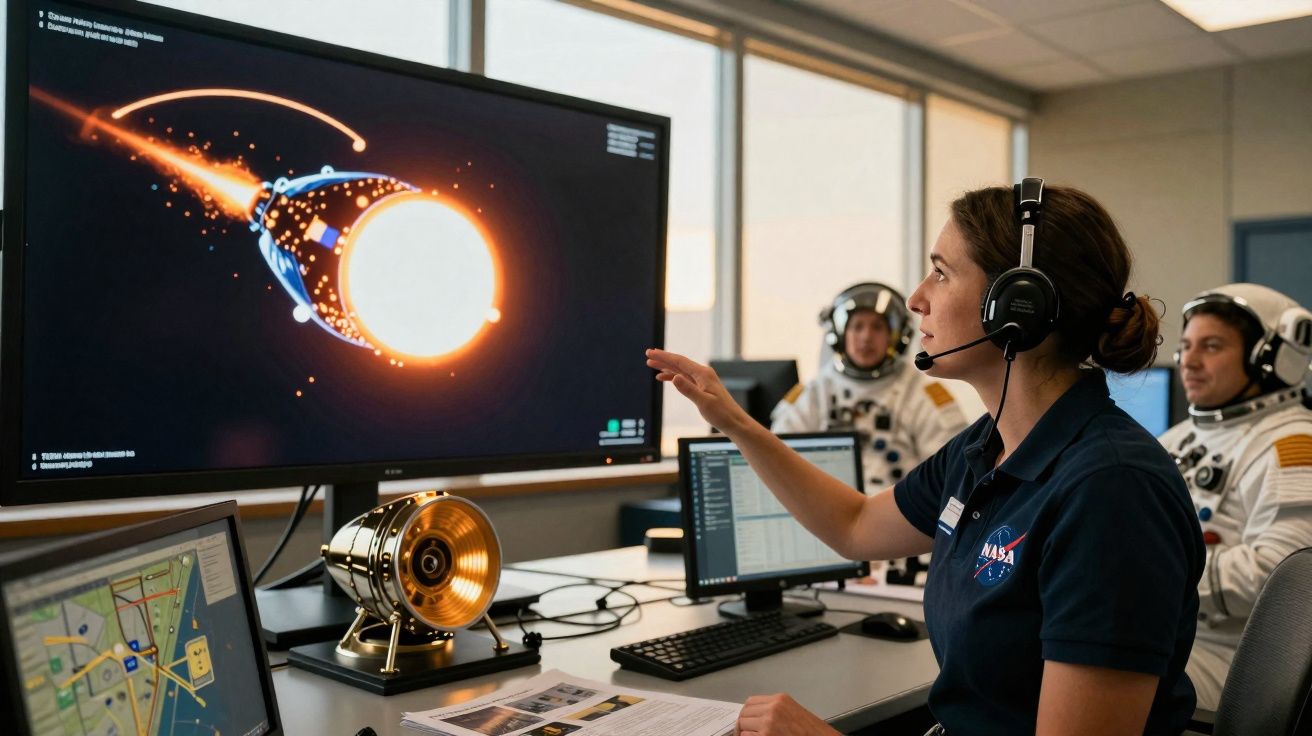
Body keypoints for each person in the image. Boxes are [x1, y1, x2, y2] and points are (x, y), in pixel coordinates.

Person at [648, 181, 1203, 735]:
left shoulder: (1111, 490)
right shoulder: (984, 448)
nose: (916, 298)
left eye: (941, 272)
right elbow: (857, 525)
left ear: (1018, 305)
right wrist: (737, 425)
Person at [1159, 283, 1312, 710]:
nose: (1188, 361)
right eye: (1186, 345)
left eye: (1211, 346)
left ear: (1269, 358)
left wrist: (1154, 575)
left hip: (1236, 657)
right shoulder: (1175, 439)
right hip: (1163, 633)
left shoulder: (1292, 444)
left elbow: (1282, 578)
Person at [773, 282, 968, 586]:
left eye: (877, 327)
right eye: (857, 326)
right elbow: (777, 464)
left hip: (899, 542)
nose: (866, 337)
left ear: (896, 335)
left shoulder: (922, 393)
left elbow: (953, 475)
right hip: (825, 536)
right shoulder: (814, 393)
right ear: (840, 334)